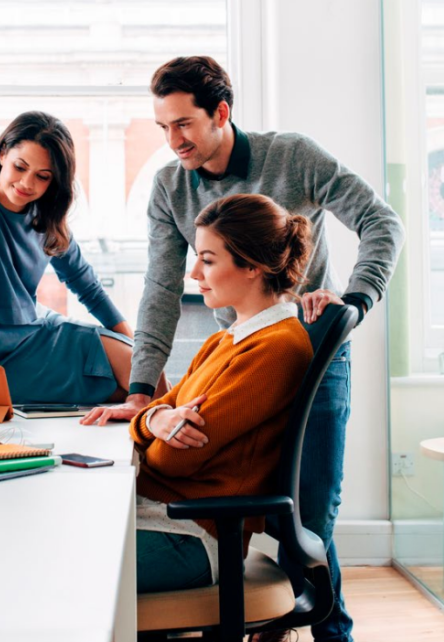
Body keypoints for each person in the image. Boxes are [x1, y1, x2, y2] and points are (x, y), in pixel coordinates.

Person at [83, 56, 405, 642]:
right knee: (242, 483)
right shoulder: (169, 185)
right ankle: (251, 618)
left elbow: (380, 220)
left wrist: (355, 302)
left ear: (221, 113)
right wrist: (141, 397)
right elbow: (160, 288)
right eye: (162, 127)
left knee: (305, 519)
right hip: (243, 337)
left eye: (183, 124)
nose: (172, 140)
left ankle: (323, 632)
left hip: (306, 343)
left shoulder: (294, 156)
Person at [132, 193, 313, 594]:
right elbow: (156, 413)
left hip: (191, 538)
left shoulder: (277, 348)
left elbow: (174, 459)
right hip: (158, 518)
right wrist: (155, 421)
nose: (193, 272)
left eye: (208, 260)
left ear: (252, 266)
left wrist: (151, 428)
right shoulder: (223, 340)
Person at [0, 111, 166, 404]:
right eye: (20, 167)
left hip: (41, 330)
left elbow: (85, 284)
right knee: (141, 390)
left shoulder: (44, 215)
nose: (26, 183)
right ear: (2, 155)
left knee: (148, 374)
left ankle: (187, 443)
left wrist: (134, 343)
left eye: (42, 176)